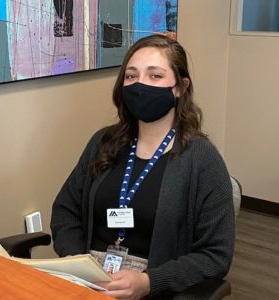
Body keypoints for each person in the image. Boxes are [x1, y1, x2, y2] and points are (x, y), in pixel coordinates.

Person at [50, 34, 235, 300]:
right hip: (87, 285)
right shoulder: (103, 142)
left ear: (181, 87)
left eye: (155, 76)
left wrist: (149, 282)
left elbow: (216, 256)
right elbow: (65, 211)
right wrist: (79, 264)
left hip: (156, 290)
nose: (140, 85)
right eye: (131, 76)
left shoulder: (202, 159)